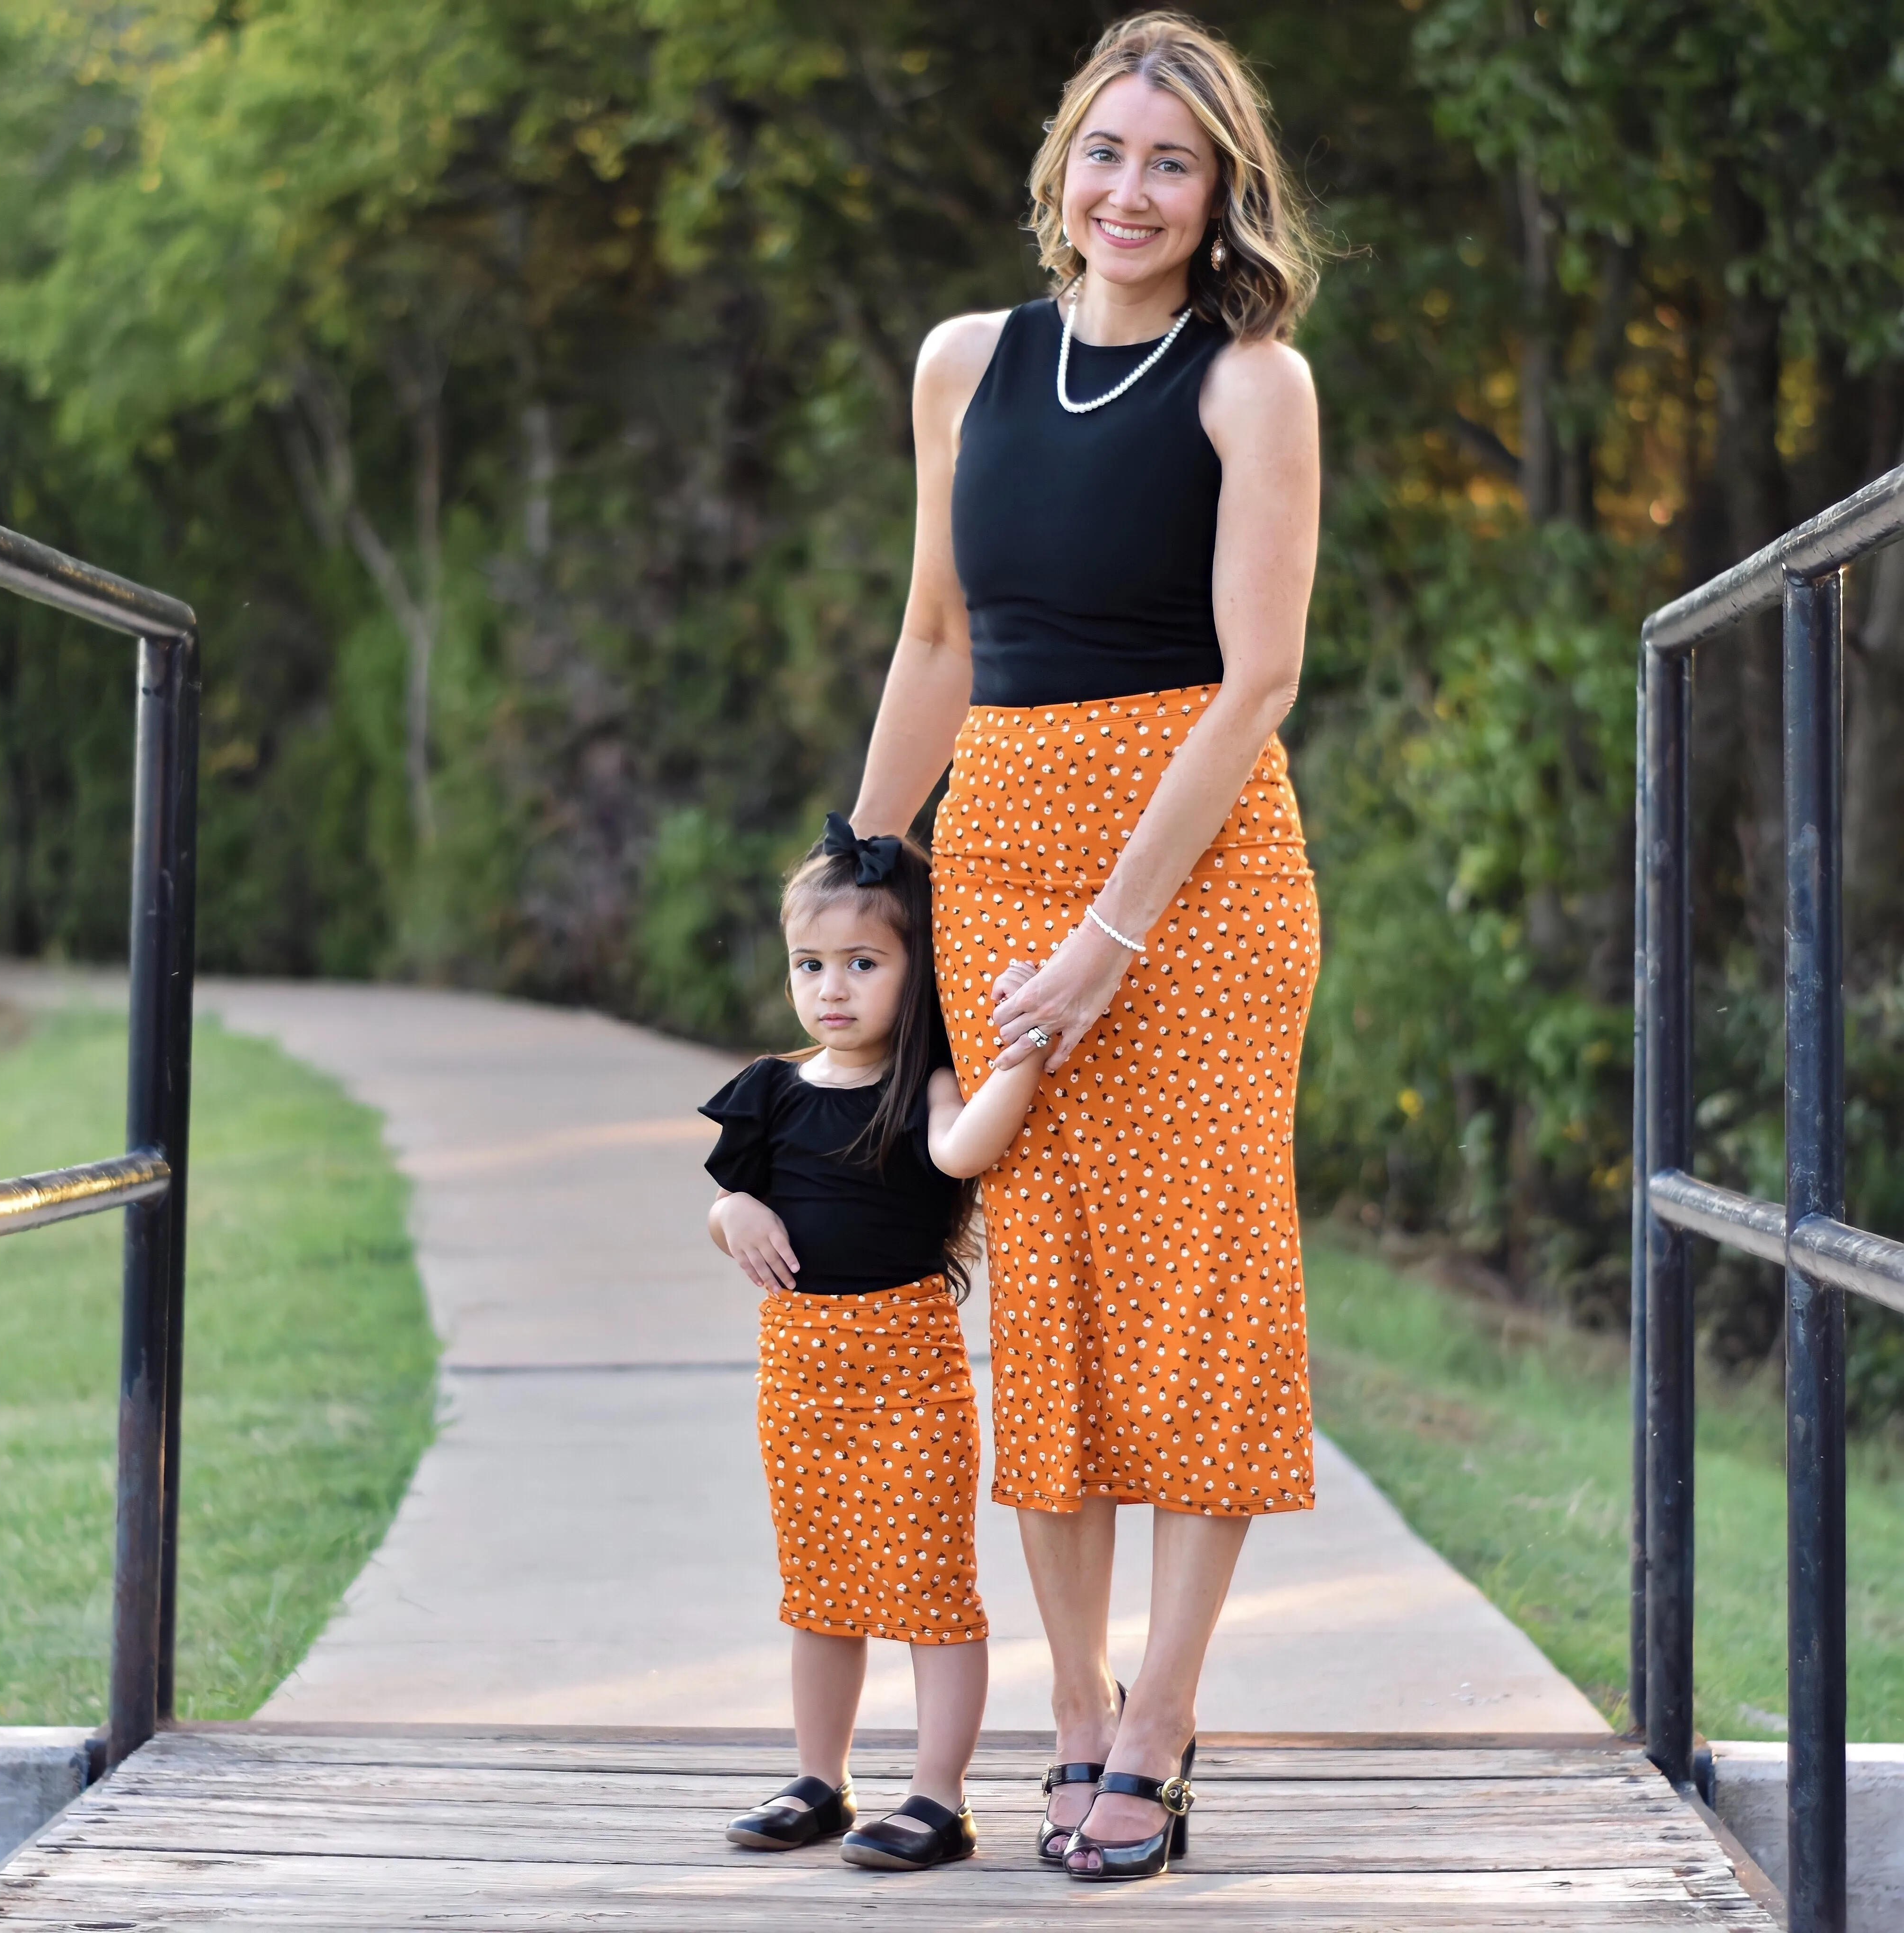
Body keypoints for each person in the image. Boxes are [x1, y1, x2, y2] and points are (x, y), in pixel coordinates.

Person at [848, 11, 1323, 1884]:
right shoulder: (964, 363)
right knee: (1038, 1295)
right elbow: (938, 640)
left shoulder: (1250, 384)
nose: (1130, 192)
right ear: (1061, 165)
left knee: (1197, 1303)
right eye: (1106, 152)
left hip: (1194, 885)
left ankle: (1163, 1720)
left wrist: (1117, 931)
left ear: (1219, 200)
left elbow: (1261, 675)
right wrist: (872, 871)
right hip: (1001, 859)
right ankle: (1067, 1704)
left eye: (1173, 165)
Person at [701, 814, 1048, 1872]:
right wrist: (733, 1219)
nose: (832, 988)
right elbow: (730, 1201)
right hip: (800, 1375)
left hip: (906, 1367)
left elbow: (963, 1149)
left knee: (928, 1584)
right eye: (811, 964)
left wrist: (1022, 1053)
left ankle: (938, 1796)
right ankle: (821, 1775)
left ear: (916, 969)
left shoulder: (920, 1087)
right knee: (819, 1584)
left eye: (863, 962)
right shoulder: (772, 1089)